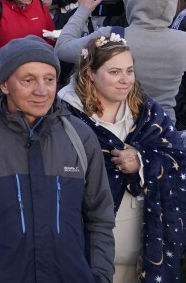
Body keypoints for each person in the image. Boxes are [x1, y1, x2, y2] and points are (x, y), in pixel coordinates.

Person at [0, 36, 115, 283]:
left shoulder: (80, 137)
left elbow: (100, 215)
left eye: (49, 79)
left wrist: (99, 274)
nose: (42, 90)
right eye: (28, 80)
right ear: (4, 84)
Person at [59, 34, 186, 283]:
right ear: (90, 74)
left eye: (129, 70)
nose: (126, 80)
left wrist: (142, 161)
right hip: (85, 250)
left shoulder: (148, 112)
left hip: (144, 251)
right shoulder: (65, 117)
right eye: (115, 72)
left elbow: (177, 158)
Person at [55, 0, 186, 126]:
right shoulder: (182, 40)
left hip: (120, 128)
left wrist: (83, 9)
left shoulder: (113, 36)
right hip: (164, 129)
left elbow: (62, 48)